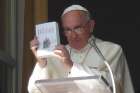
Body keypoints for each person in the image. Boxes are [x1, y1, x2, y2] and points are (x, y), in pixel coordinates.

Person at [28, 4, 134, 93]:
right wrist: (42, 63)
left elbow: (107, 88)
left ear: (91, 26)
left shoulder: (112, 50)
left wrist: (70, 65)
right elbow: (34, 90)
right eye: (68, 30)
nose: (73, 35)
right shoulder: (55, 54)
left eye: (78, 28)